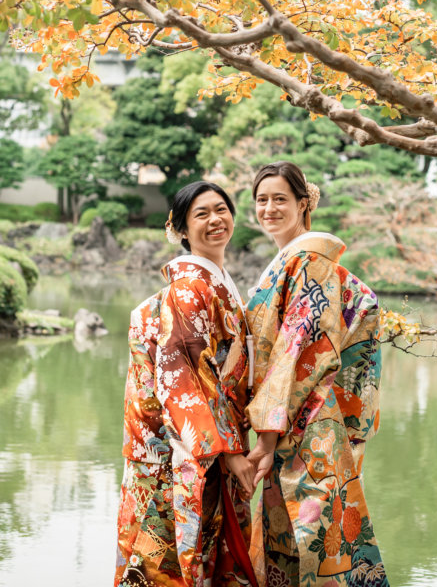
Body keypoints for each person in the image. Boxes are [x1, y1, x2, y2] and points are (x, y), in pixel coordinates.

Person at [243, 161, 389, 587]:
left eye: (280, 199)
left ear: (303, 203)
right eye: (261, 200)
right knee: (291, 546)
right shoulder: (291, 259)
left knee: (315, 547)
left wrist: (268, 432)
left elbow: (298, 349)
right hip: (297, 419)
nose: (268, 208)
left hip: (305, 423)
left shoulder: (310, 258)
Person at [116, 181, 258, 587]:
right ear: (179, 229)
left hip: (208, 445)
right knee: (165, 564)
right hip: (179, 453)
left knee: (199, 561)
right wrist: (227, 451)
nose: (215, 220)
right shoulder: (189, 290)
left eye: (222, 209)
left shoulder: (215, 285)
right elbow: (181, 375)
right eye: (201, 214)